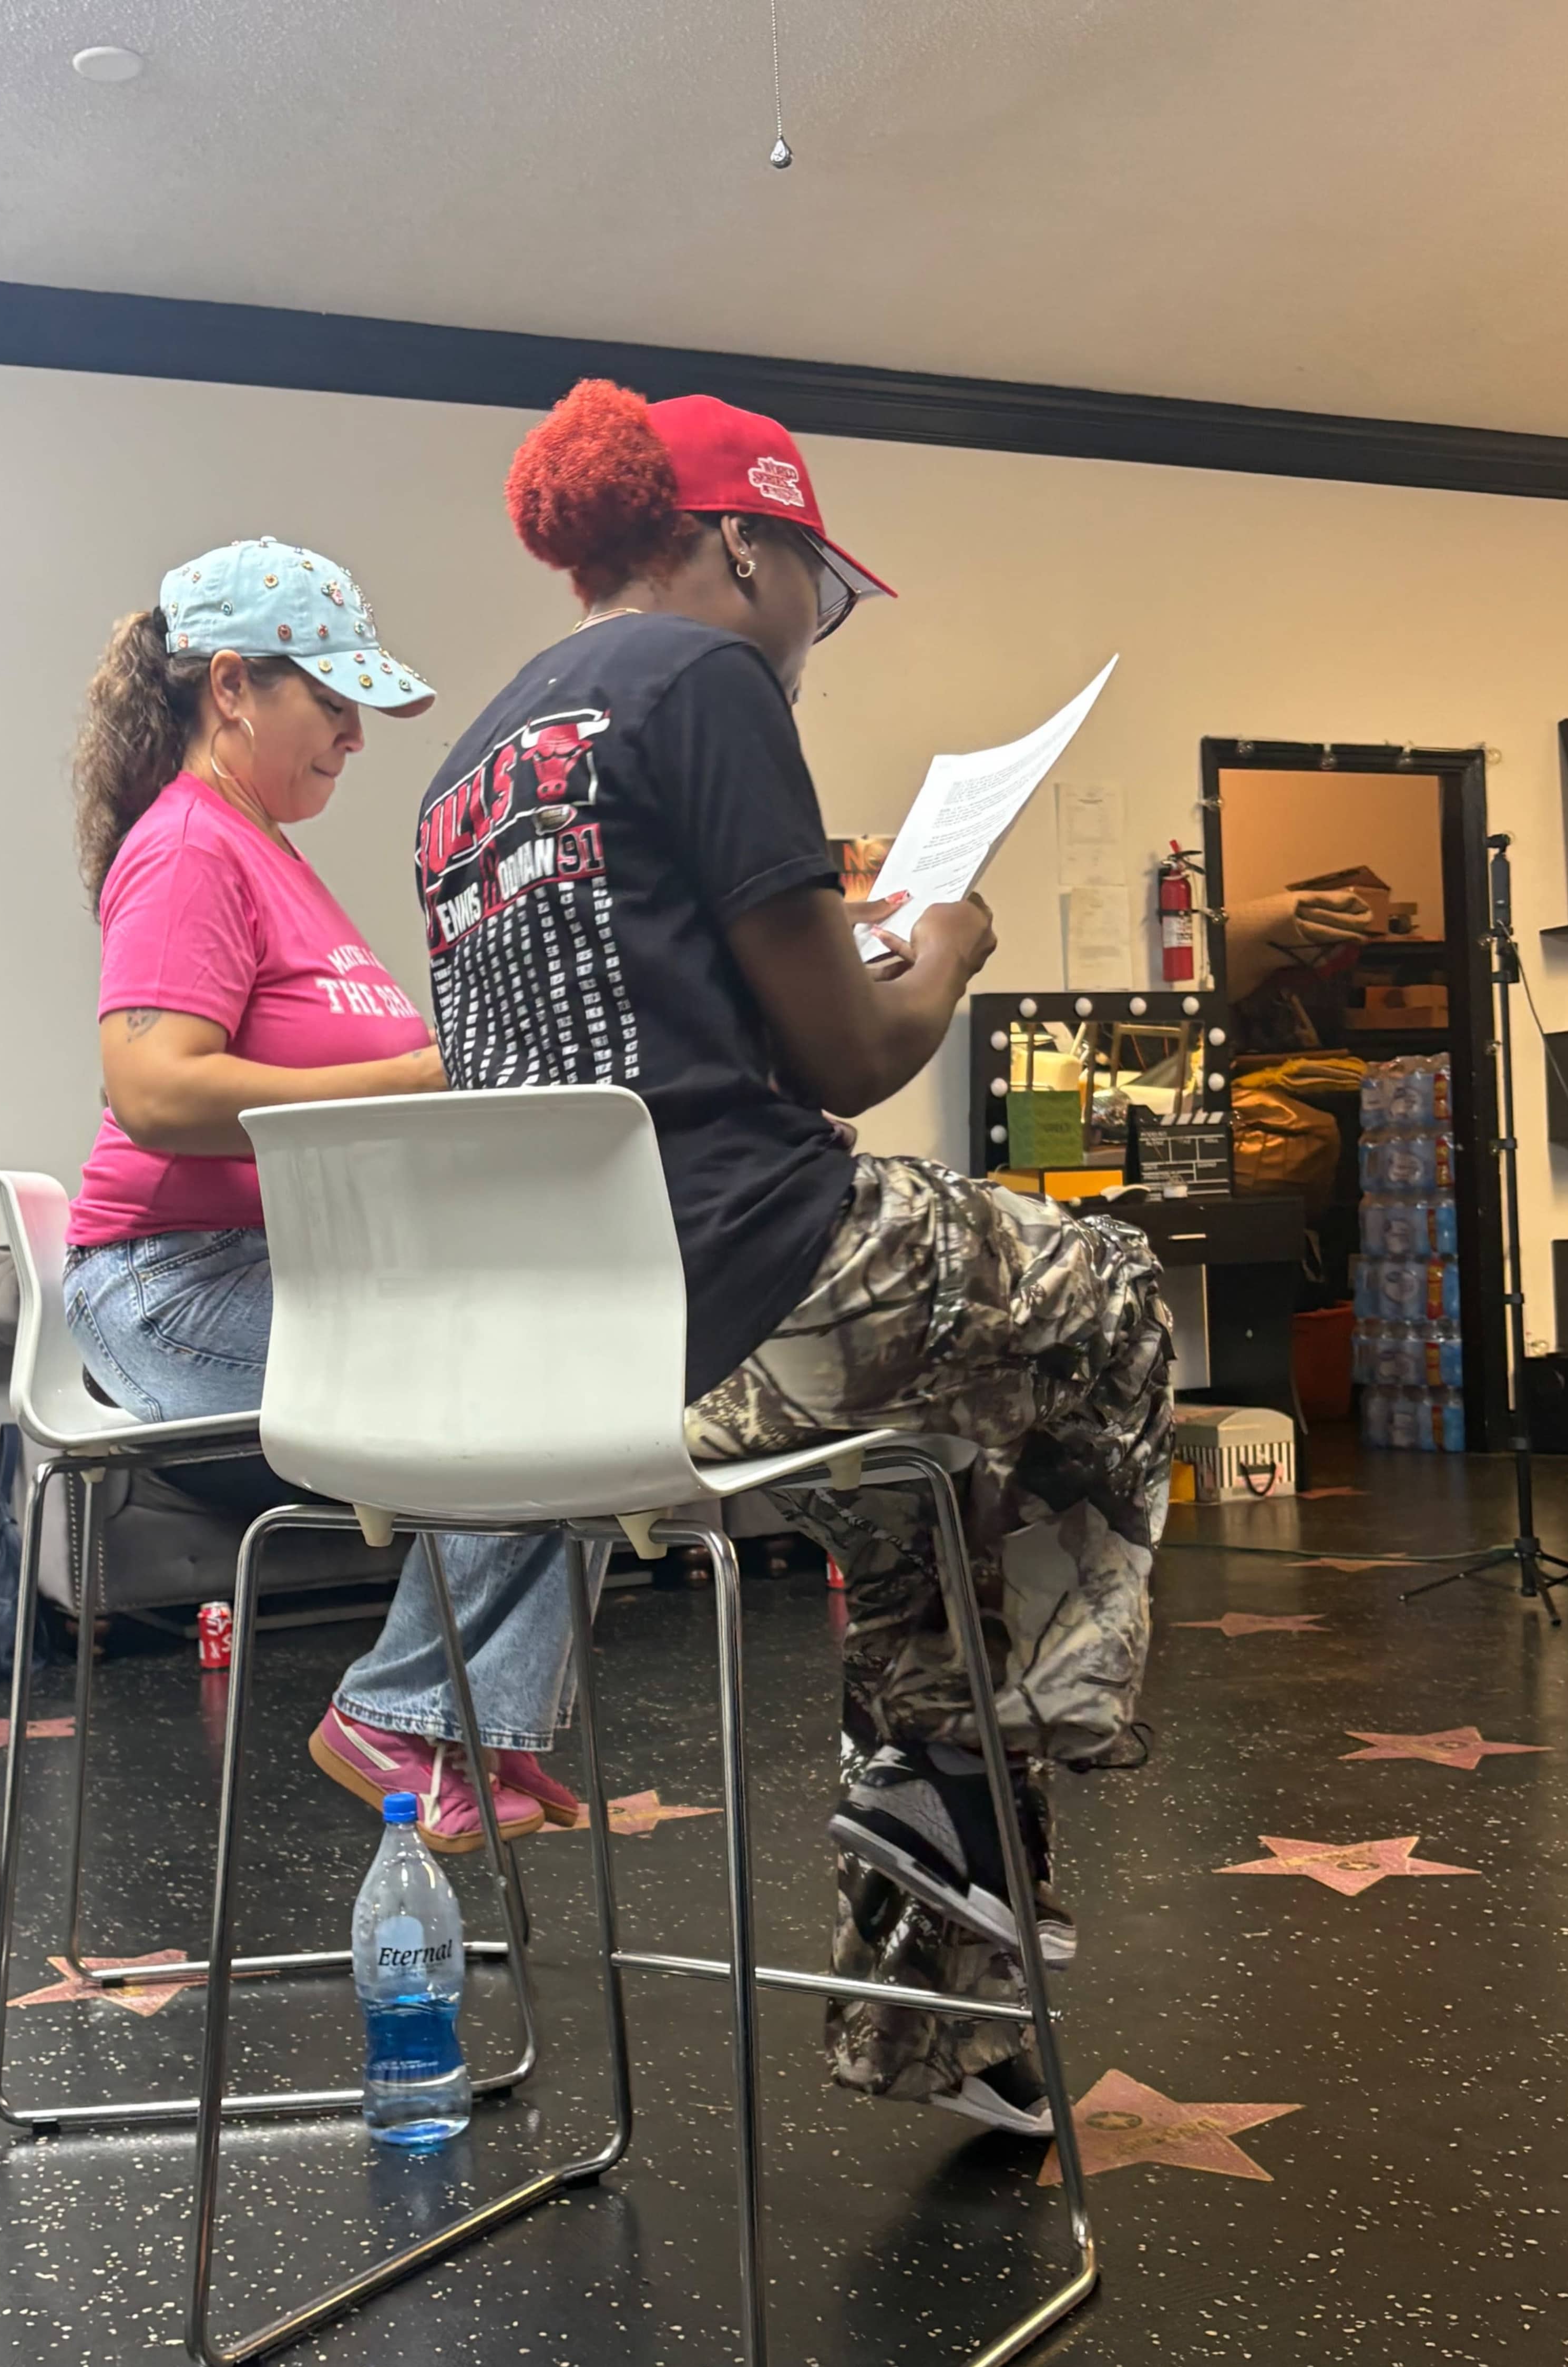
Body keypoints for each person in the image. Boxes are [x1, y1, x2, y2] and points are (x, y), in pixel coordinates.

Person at [413, 388, 1172, 2133]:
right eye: (816, 595)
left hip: (586, 1346)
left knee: (930, 1531)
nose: (812, 646)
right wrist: (951, 947)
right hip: (769, 1277)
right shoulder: (708, 687)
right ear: (744, 544)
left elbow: (636, 1041)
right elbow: (848, 1067)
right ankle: (1013, 1764)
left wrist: (830, 937)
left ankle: (947, 2030)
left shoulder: (473, 771)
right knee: (1117, 1289)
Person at [62, 536, 601, 1854]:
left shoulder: (271, 854)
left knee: (586, 1367)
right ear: (233, 685)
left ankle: (456, 1721)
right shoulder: (189, 848)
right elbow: (154, 1089)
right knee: (530, 1366)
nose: (355, 737)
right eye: (334, 700)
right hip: (167, 1288)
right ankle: (410, 1711)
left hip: (265, 1270)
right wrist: (422, 1077)